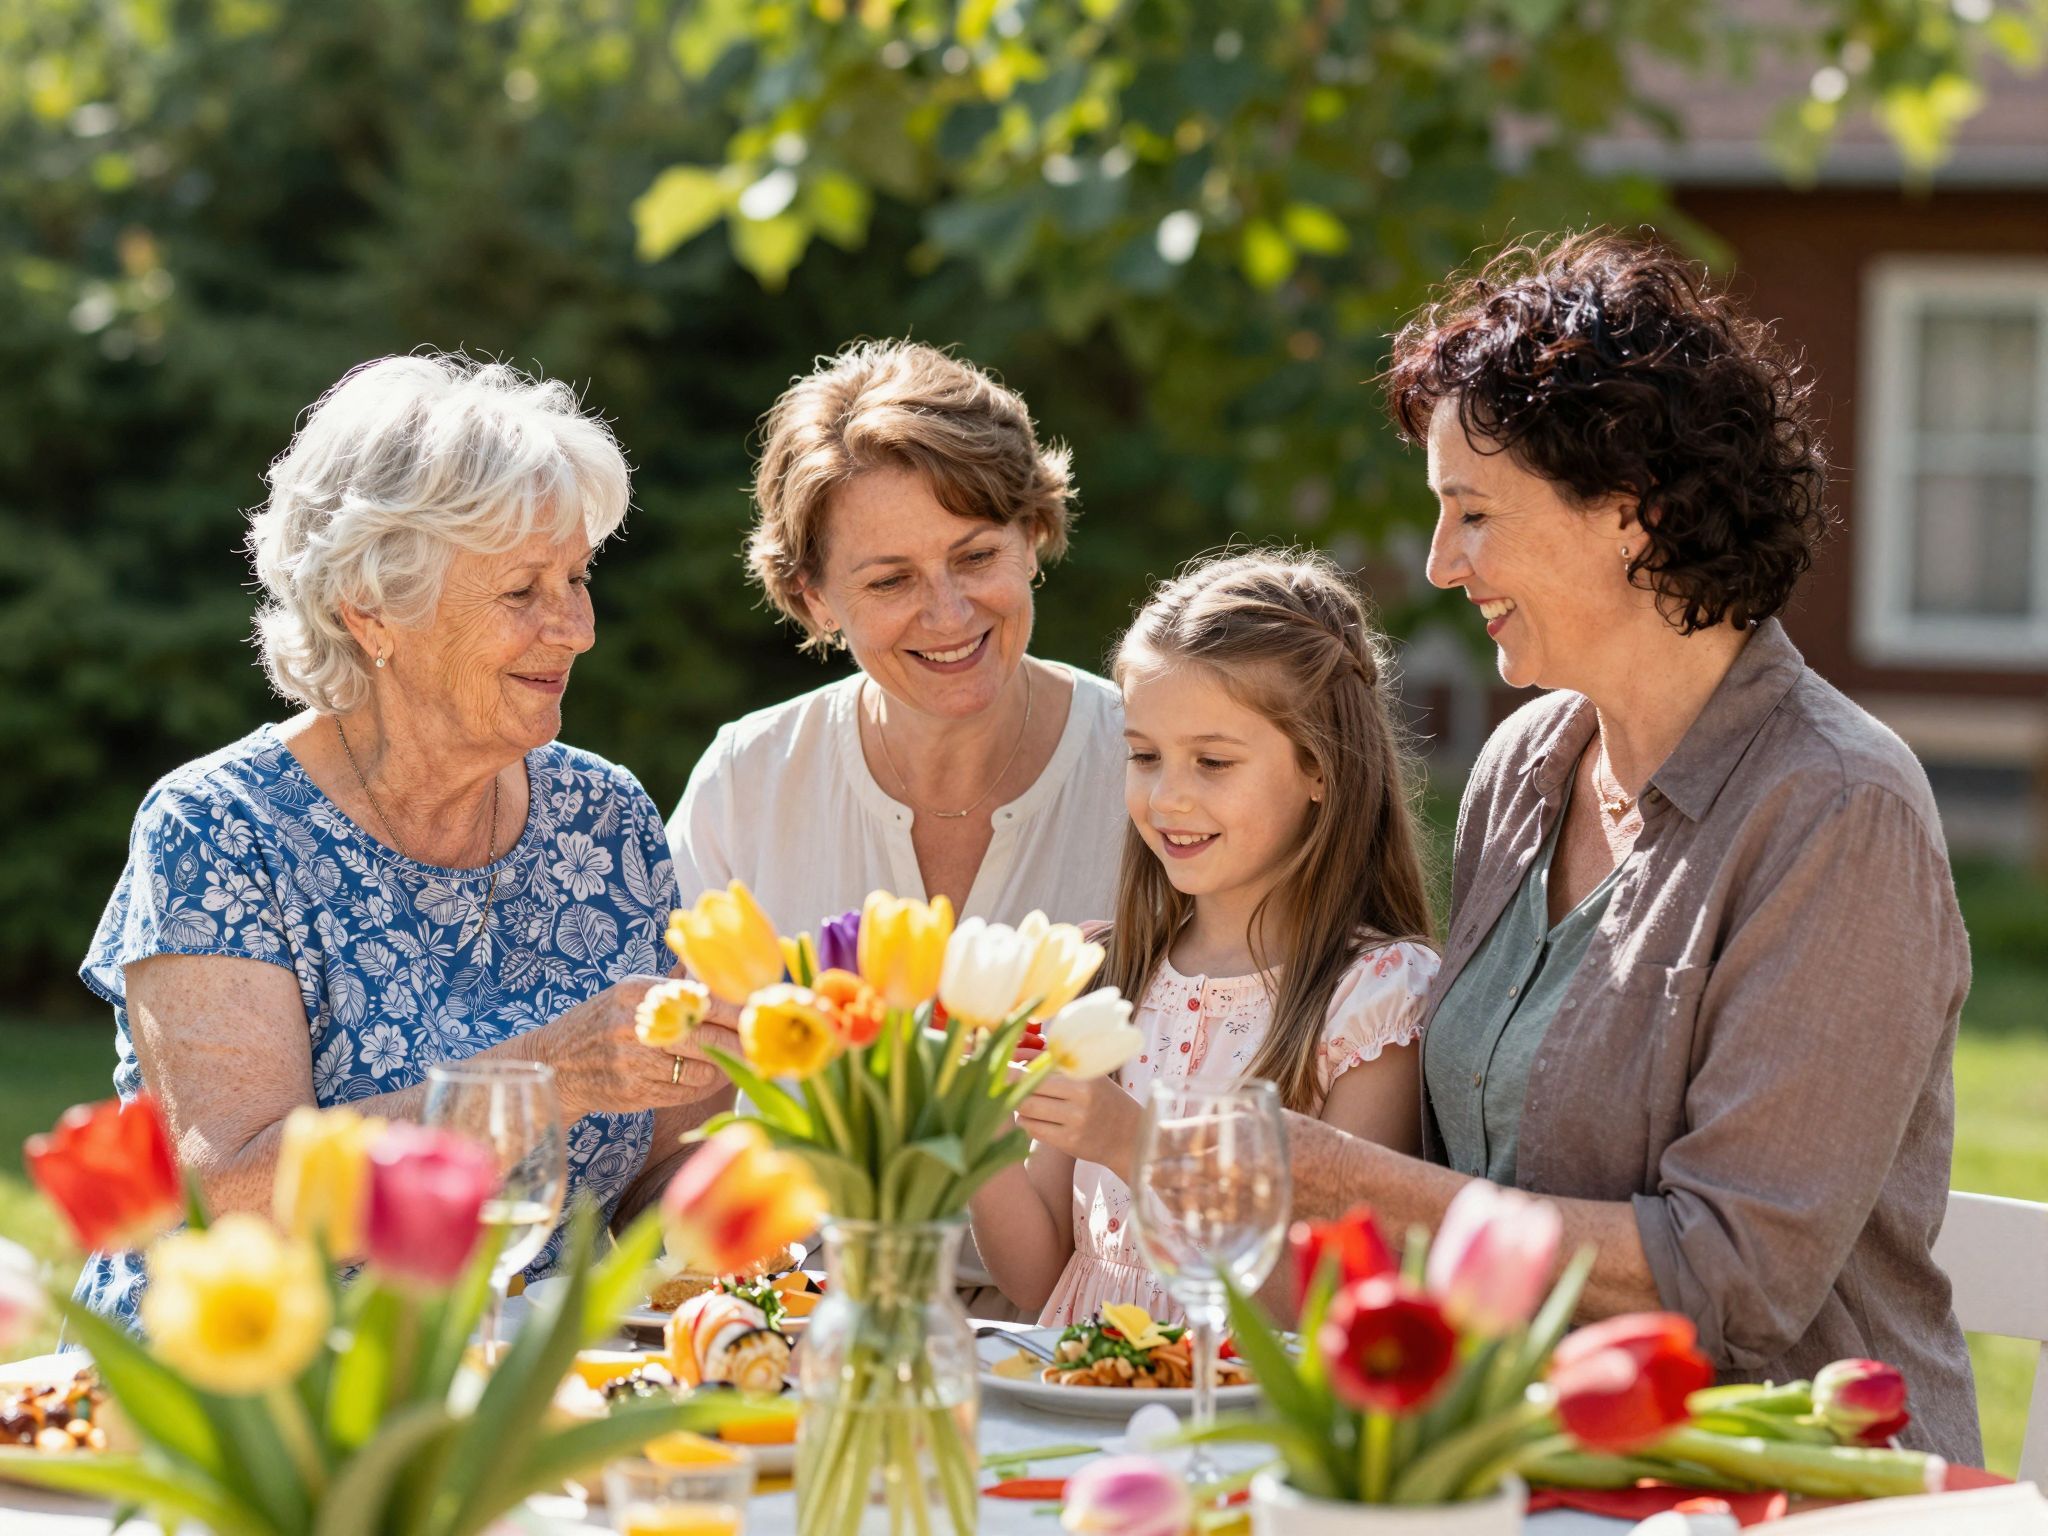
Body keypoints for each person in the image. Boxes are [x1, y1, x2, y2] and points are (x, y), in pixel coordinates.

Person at [1281, 231, 1981, 1461]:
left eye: (1472, 513)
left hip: (1788, 1490)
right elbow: (1469, 1150)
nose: (1442, 565)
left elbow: (1732, 1284)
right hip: (1523, 1459)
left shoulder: (1835, 809)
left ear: (1630, 514)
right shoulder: (1522, 768)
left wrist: (1341, 1179)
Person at [77, 354, 736, 1323]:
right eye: (523, 592)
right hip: (253, 1394)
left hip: (525, 1392)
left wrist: (772, 1198)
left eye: (576, 577)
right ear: (370, 612)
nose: (577, 627)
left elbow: (655, 1177)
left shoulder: (606, 817)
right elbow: (234, 1197)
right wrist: (545, 1080)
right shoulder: (220, 827)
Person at [970, 550, 1440, 1326]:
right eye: (1144, 756)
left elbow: (1316, 1302)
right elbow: (1038, 1274)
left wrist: (1137, 1149)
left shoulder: (1376, 998)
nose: (1167, 797)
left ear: (1322, 769)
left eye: (1213, 762)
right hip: (1082, 1408)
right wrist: (974, 1128)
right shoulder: (1099, 972)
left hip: (1240, 1422)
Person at [665, 339, 1127, 935]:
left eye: (977, 556)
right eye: (890, 581)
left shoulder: (1147, 763)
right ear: (815, 597)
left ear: (1033, 536)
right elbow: (660, 1017)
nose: (949, 615)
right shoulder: (747, 783)